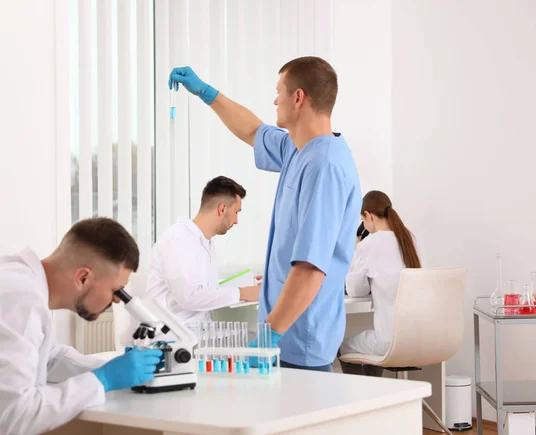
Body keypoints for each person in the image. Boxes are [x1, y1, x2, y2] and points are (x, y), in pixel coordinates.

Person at [169, 56, 361, 372]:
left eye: (279, 92)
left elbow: (312, 269)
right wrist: (205, 92)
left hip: (300, 339)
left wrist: (268, 336)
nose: (274, 100)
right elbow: (253, 131)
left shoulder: (324, 166)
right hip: (286, 335)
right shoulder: (297, 150)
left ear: (298, 98)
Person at [0, 218, 162, 435]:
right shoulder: (17, 301)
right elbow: (12, 419)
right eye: (116, 290)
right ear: (83, 278)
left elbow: (47, 358)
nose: (115, 300)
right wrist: (102, 380)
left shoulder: (17, 279)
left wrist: (110, 367)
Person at [145, 176, 260, 335]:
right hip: (171, 339)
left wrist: (250, 284)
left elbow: (205, 290)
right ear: (222, 209)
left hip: (196, 333)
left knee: (251, 335)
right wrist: (243, 293)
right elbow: (190, 297)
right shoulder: (177, 239)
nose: (236, 220)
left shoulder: (204, 242)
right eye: (236, 212)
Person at [339, 191, 422, 376]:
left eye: (363, 220)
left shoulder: (368, 244)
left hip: (389, 342)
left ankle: (366, 401)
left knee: (343, 346)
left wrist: (357, 246)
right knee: (370, 343)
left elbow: (355, 291)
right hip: (420, 339)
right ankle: (376, 396)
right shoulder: (410, 240)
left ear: (369, 216)